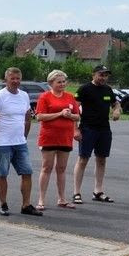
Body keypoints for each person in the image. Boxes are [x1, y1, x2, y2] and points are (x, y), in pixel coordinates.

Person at [0, 67, 41, 217]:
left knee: (27, 172)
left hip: (20, 142)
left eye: (18, 79)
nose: (16, 81)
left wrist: (24, 135)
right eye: (12, 79)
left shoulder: (23, 95)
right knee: (3, 173)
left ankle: (26, 205)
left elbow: (27, 118)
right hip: (3, 143)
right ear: (6, 80)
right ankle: (3, 204)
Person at [73, 64, 121, 204]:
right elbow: (74, 108)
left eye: (106, 75)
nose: (103, 78)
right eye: (101, 74)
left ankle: (98, 191)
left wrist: (117, 110)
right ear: (93, 74)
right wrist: (75, 129)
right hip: (88, 128)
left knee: (101, 159)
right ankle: (76, 192)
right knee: (83, 159)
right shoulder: (85, 89)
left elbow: (115, 103)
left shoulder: (108, 90)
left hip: (104, 129)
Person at [34, 70, 80, 210]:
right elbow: (39, 116)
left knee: (61, 168)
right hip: (49, 137)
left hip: (64, 137)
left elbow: (77, 116)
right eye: (59, 82)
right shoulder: (45, 97)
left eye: (63, 81)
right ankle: (41, 199)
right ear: (51, 83)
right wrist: (60, 113)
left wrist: (70, 116)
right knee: (47, 167)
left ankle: (62, 198)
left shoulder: (70, 97)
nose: (62, 84)